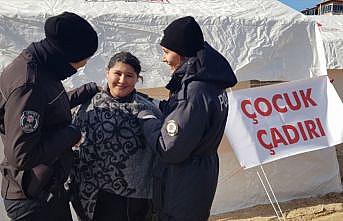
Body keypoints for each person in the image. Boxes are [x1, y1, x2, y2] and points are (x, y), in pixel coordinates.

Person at [0, 12, 99, 221]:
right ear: (65, 55)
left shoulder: (40, 65)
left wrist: (87, 90)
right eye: (83, 61)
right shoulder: (29, 84)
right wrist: (71, 133)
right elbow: (22, 155)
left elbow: (48, 105)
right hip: (33, 198)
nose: (83, 66)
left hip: (45, 186)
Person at [138, 16, 238, 221]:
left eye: (166, 52)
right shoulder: (211, 83)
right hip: (200, 176)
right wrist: (154, 103)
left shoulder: (193, 90)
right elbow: (187, 117)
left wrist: (146, 118)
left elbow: (170, 148)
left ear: (181, 51)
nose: (164, 59)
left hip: (182, 182)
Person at [70, 51, 162, 221]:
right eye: (117, 73)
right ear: (107, 72)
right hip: (88, 191)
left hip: (130, 198)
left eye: (129, 75)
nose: (122, 80)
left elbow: (161, 149)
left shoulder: (146, 109)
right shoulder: (86, 105)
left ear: (137, 79)